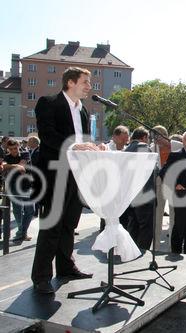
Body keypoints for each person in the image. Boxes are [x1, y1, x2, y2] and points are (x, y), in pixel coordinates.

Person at [31, 67, 102, 294]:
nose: (89, 87)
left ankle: (65, 267)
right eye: (86, 82)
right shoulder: (48, 102)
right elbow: (48, 135)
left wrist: (93, 147)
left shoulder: (82, 111)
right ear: (71, 82)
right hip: (55, 175)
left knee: (69, 225)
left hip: (76, 175)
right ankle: (41, 277)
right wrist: (74, 145)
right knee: (51, 227)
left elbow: (81, 142)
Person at [123, 127, 155, 250]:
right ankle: (142, 252)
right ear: (144, 137)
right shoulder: (143, 147)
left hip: (131, 194)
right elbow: (152, 168)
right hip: (144, 193)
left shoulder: (127, 149)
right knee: (146, 227)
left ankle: (132, 250)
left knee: (133, 224)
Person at [3, 139, 35, 242]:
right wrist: (15, 166)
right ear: (8, 149)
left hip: (27, 186)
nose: (14, 151)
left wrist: (10, 166)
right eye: (11, 149)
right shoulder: (6, 156)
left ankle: (21, 232)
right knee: (17, 211)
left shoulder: (25, 154)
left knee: (31, 210)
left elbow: (22, 166)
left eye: (15, 148)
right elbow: (2, 166)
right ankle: (23, 233)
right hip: (13, 187)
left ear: (19, 146)